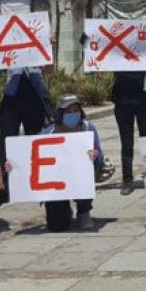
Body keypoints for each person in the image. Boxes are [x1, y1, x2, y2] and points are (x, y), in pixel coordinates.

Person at [38, 94, 103, 232]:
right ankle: (64, 210)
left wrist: (95, 156)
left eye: (76, 110)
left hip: (80, 177)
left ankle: (84, 211)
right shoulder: (47, 133)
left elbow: (99, 157)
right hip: (56, 181)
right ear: (60, 113)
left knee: (84, 176)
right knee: (56, 225)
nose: (73, 114)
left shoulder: (88, 128)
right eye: (68, 112)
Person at [0, 66, 52, 201]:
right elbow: (8, 88)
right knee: (6, 142)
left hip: (33, 98)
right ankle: (3, 185)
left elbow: (42, 85)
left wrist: (31, 69)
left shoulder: (35, 57)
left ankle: (35, 181)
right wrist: (18, 69)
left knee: (34, 143)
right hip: (11, 99)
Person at [110, 69, 146, 196]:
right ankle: (127, 180)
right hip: (123, 99)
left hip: (145, 98)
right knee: (126, 142)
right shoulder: (118, 50)